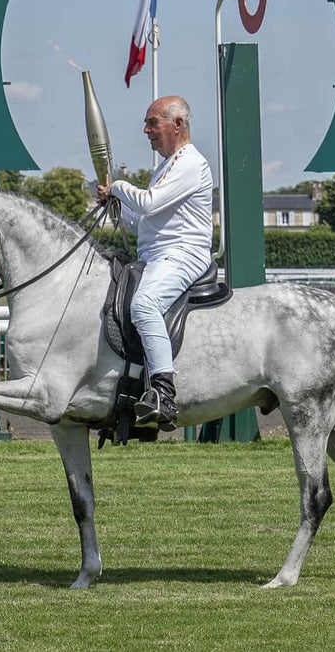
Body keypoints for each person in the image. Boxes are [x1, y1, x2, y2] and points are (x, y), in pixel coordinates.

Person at [97, 95, 213, 430]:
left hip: (184, 254)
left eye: (152, 122)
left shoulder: (189, 162)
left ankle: (163, 392)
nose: (146, 130)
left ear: (177, 124)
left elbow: (149, 204)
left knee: (145, 304)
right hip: (156, 255)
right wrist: (118, 209)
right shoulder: (166, 165)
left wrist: (118, 187)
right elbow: (144, 223)